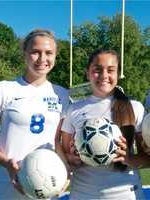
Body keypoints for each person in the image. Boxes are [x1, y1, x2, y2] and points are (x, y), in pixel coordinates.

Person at [0, 29, 69, 200]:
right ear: (25, 54)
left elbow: (56, 142)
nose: (42, 59)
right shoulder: (4, 89)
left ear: (55, 56)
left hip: (45, 186)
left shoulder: (61, 94)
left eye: (49, 53)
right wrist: (7, 164)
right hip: (5, 184)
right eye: (35, 52)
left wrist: (65, 172)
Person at [58, 49, 150, 199]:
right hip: (83, 194)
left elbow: (148, 158)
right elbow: (65, 154)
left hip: (126, 195)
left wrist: (130, 159)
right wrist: (71, 159)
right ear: (88, 73)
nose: (104, 75)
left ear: (118, 74)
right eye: (97, 70)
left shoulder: (135, 108)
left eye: (111, 70)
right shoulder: (73, 109)